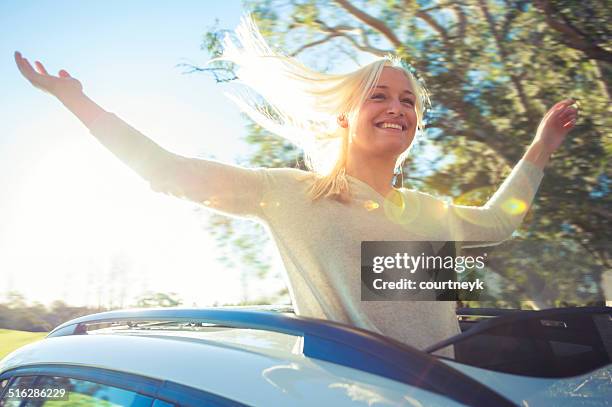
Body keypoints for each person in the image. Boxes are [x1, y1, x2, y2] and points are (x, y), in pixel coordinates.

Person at [14, 16, 578, 356]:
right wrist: (78, 102)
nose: (397, 107)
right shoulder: (292, 193)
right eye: (378, 96)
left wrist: (542, 144)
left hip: (445, 391)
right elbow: (169, 172)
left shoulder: (428, 213)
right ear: (343, 118)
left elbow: (502, 221)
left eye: (408, 100)